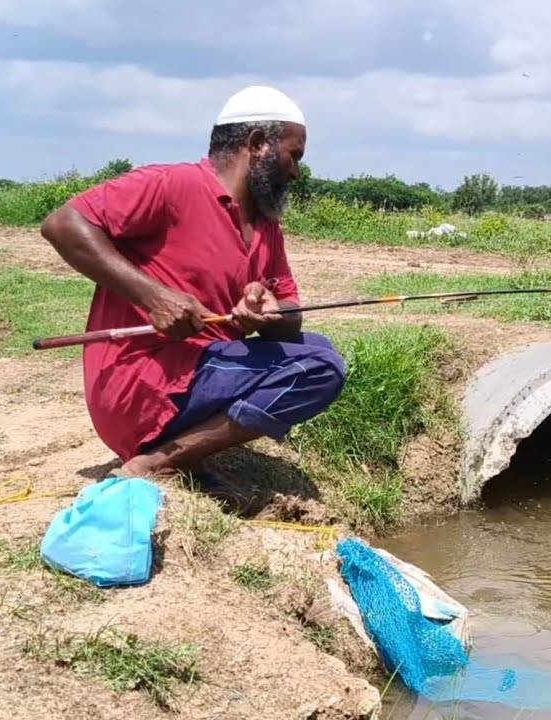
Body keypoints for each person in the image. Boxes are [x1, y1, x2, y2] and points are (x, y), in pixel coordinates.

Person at [40, 85, 348, 483]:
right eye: (294, 155)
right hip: (143, 383)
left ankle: (179, 451)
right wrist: (154, 297)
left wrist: (270, 313)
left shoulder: (267, 227)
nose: (296, 171)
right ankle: (160, 462)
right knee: (321, 367)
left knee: (318, 348)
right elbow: (62, 225)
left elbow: (291, 313)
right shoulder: (174, 185)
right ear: (257, 144)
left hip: (205, 372)